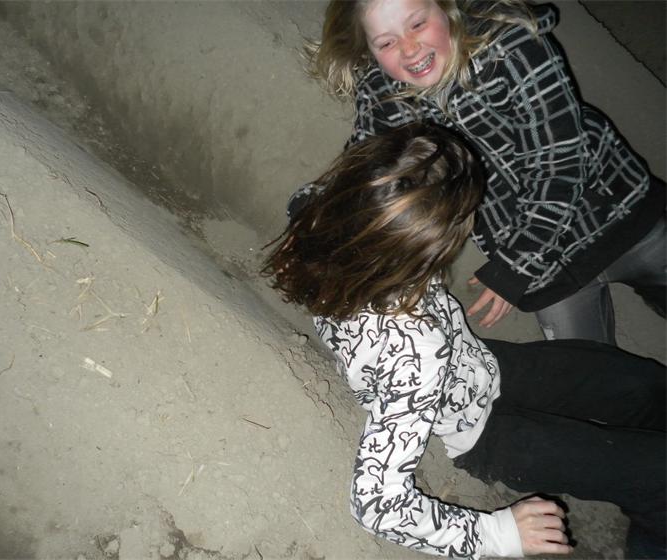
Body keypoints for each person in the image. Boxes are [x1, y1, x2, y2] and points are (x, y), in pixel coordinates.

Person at [264, 123, 666, 559]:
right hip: (481, 434)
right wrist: (497, 533)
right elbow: (377, 504)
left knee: (642, 385)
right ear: (425, 251)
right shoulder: (414, 352)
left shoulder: (319, 211)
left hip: (483, 366)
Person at [288, 0, 666, 344]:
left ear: (446, 8)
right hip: (551, 274)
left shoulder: (511, 46)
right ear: (366, 50)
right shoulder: (381, 92)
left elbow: (558, 166)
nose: (409, 48)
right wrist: (313, 213)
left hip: (623, 214)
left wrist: (514, 268)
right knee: (594, 378)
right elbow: (367, 171)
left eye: (417, 24)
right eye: (386, 42)